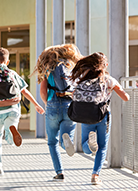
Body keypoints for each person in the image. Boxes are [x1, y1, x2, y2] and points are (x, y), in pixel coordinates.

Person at [70, 52, 129, 185]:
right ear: (105, 65)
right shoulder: (108, 80)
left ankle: (89, 144)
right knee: (102, 147)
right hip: (103, 116)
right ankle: (95, 176)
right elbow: (125, 97)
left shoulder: (83, 79)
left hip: (86, 116)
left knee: (86, 144)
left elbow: (74, 95)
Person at [0, 48, 45, 176]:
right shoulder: (12, 73)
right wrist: (36, 105)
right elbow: (24, 91)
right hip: (13, 108)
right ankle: (11, 131)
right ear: (7, 61)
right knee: (10, 132)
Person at [32, 44, 83, 181]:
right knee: (65, 136)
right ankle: (67, 140)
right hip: (69, 105)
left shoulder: (47, 68)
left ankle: (59, 172)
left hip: (53, 104)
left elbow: (43, 91)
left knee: (52, 142)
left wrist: (47, 104)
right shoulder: (70, 67)